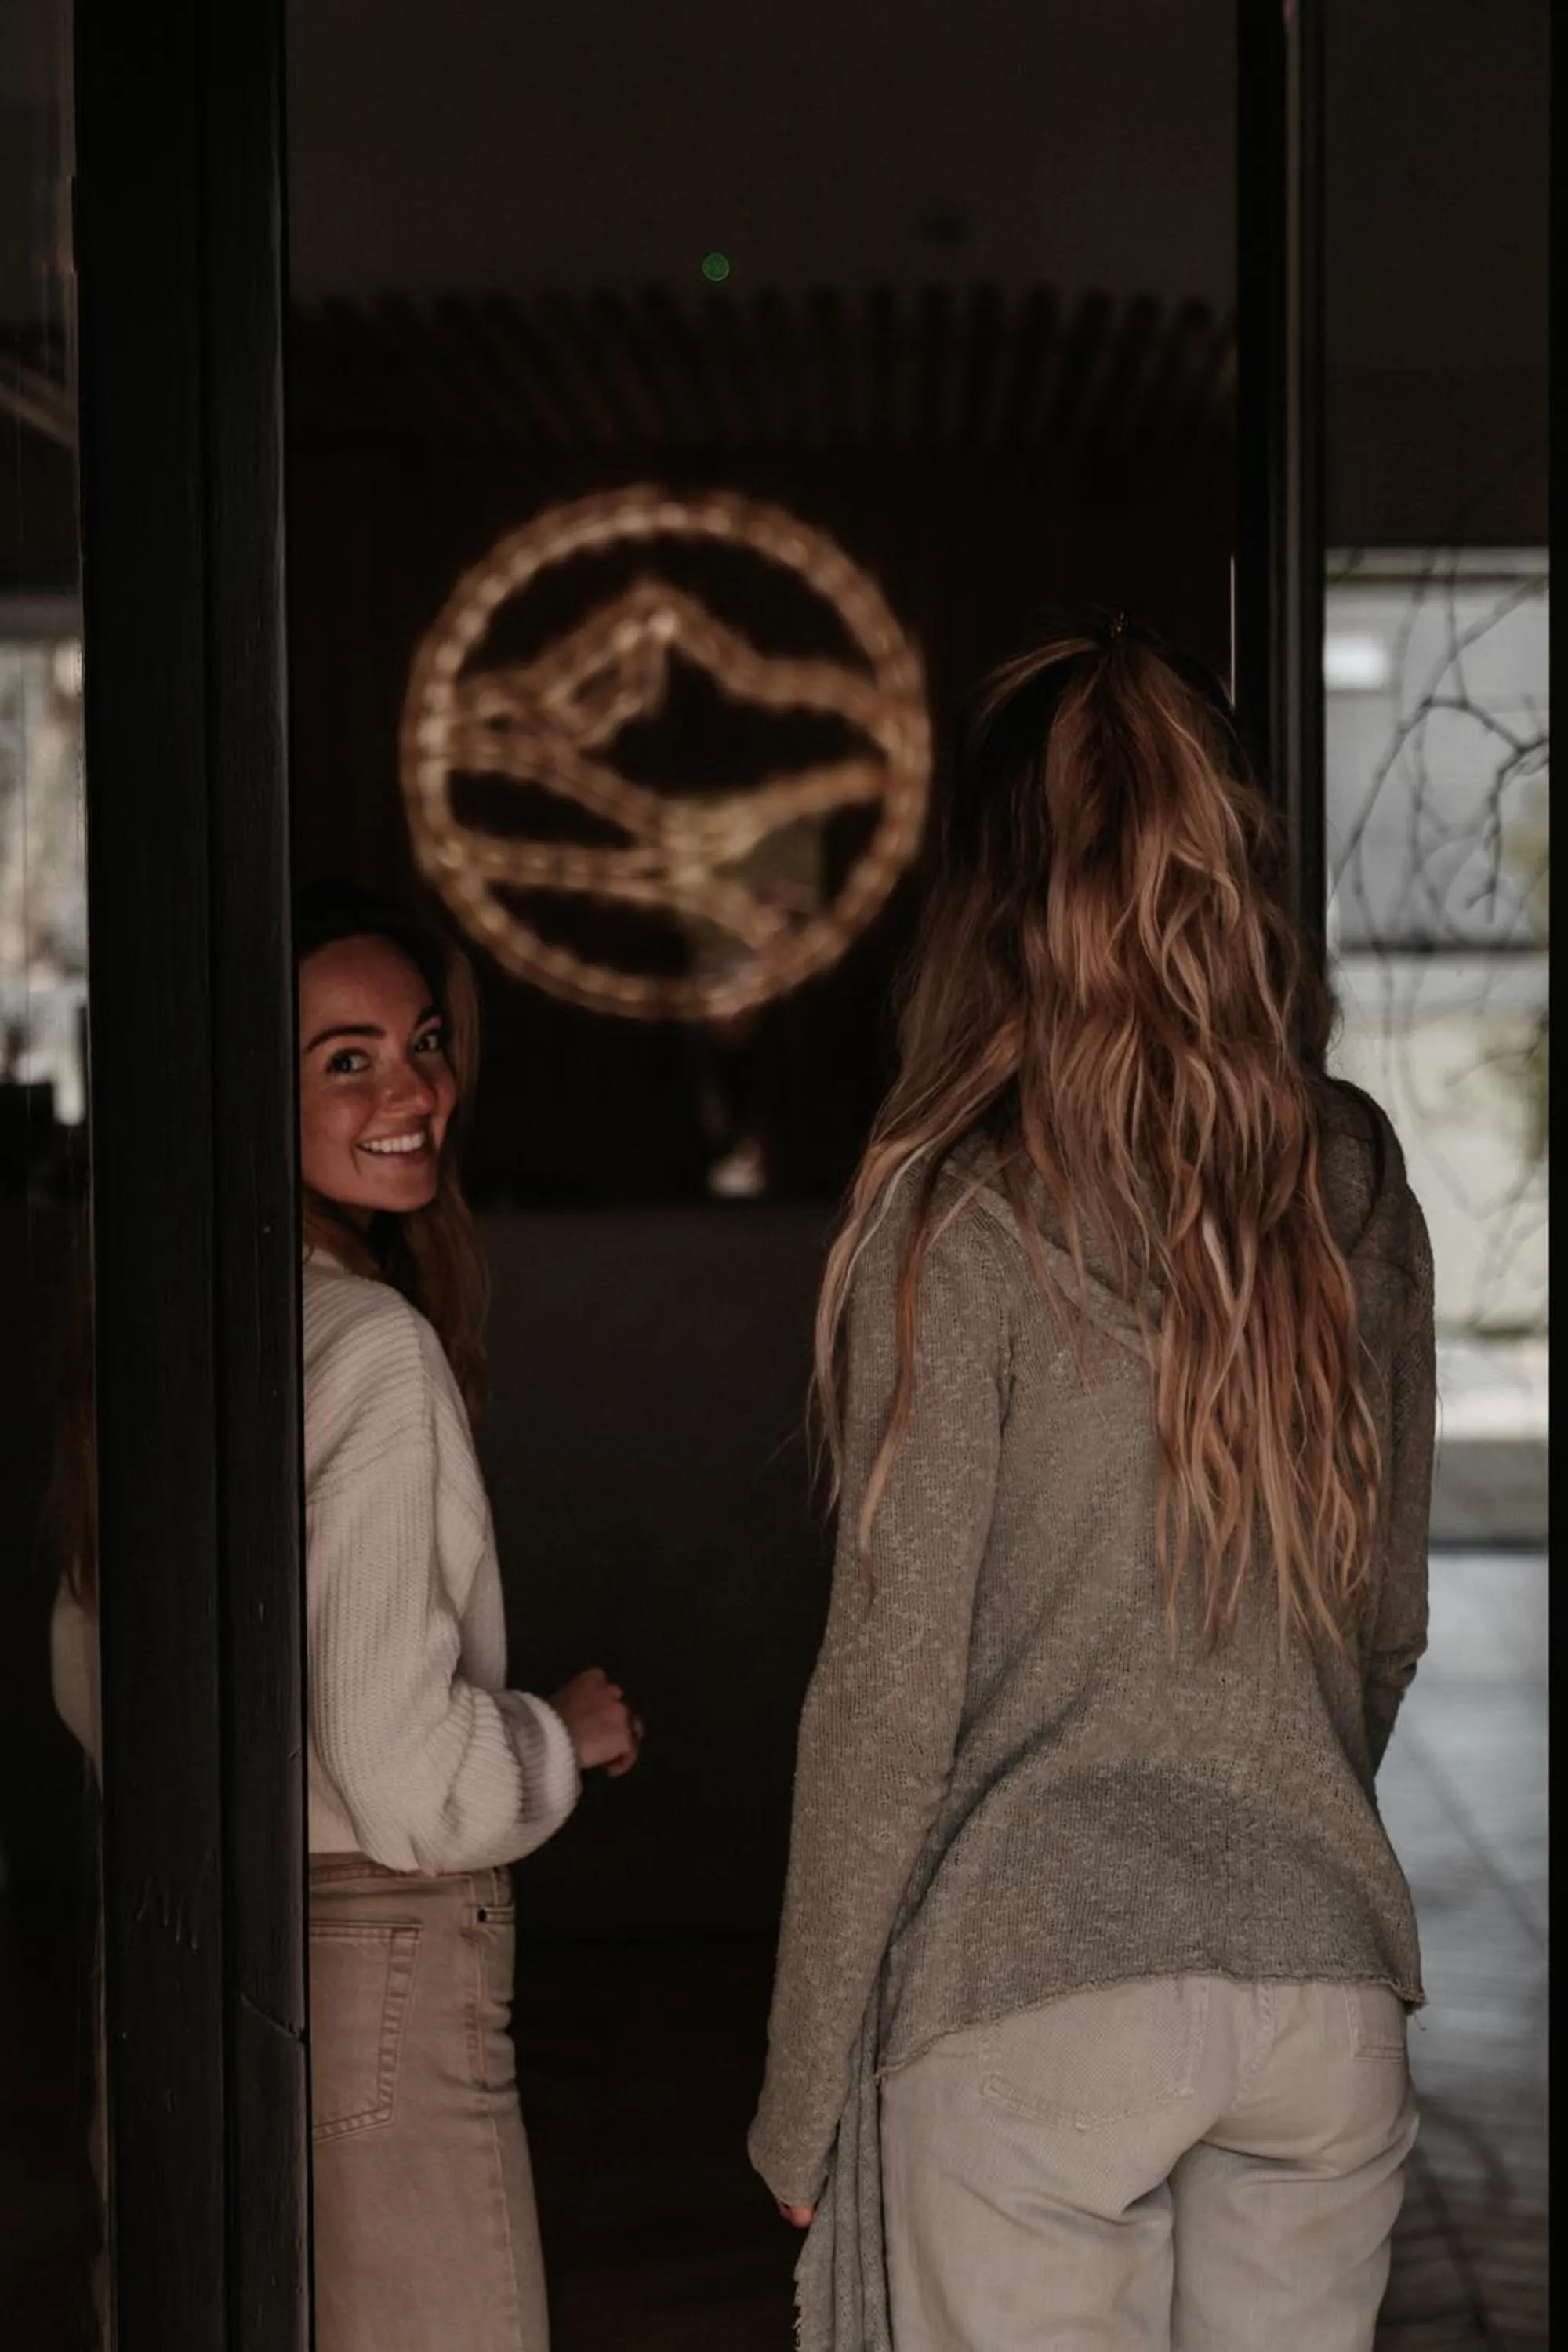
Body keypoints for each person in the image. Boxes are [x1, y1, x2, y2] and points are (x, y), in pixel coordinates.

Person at [748, 616, 1436, 2352]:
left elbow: (891, 1700)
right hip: (1318, 1990)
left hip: (1025, 1991)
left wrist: (798, 2090)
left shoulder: (951, 1217)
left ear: (980, 907)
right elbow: (1384, 1626)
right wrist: (1260, 1798)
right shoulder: (1341, 1172)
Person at [51, 877, 643, 2351]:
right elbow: (407, 1780)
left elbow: (89, 1681)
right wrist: (554, 1738)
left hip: (181, 1953)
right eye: (347, 1059)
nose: (415, 1090)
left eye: (424, 1041)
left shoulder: (163, 1339)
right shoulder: (370, 1348)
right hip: (375, 1952)